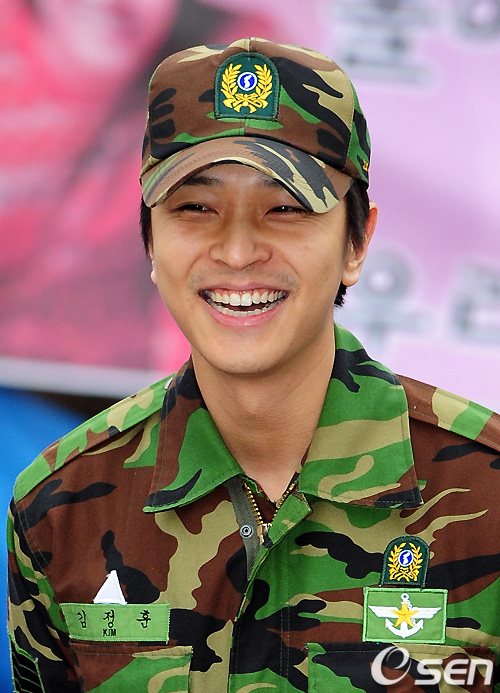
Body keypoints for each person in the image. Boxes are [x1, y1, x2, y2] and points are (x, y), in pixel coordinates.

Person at [7, 37, 500, 693]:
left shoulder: (488, 492)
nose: (238, 251)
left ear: (358, 242)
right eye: (195, 208)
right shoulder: (61, 507)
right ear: (149, 241)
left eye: (285, 208)